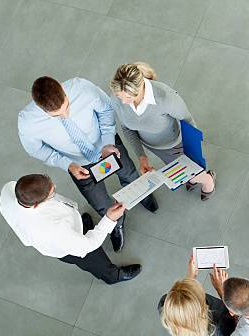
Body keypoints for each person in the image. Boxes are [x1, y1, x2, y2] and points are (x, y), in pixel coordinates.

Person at [18, 76, 158, 253]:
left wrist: (108, 142)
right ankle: (117, 225)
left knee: (129, 174)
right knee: (100, 202)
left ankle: (141, 195)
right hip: (78, 165)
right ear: (40, 107)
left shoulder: (81, 87)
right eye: (56, 116)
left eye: (67, 107)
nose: (65, 115)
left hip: (106, 145)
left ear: (62, 88)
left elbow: (106, 110)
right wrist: (67, 164)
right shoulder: (27, 122)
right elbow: (37, 150)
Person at [0, 174, 141, 284]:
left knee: (81, 226)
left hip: (66, 229)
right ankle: (113, 276)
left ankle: (83, 225)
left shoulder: (10, 188)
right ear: (36, 205)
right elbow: (89, 245)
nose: (54, 185)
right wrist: (109, 218)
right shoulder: (53, 230)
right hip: (68, 247)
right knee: (95, 260)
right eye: (51, 193)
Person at [109, 62, 216, 201]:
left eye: (128, 98)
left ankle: (207, 179)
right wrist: (142, 157)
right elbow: (126, 127)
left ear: (140, 88)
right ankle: (194, 177)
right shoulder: (117, 97)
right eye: (119, 96)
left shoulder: (165, 97)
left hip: (175, 143)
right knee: (181, 170)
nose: (122, 102)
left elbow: (187, 120)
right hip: (154, 145)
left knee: (190, 170)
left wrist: (194, 152)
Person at [158, 259, 237, 336]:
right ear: (203, 307)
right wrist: (222, 292)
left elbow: (184, 302)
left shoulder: (164, 304)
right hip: (230, 335)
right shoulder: (220, 320)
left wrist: (191, 277)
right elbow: (240, 323)